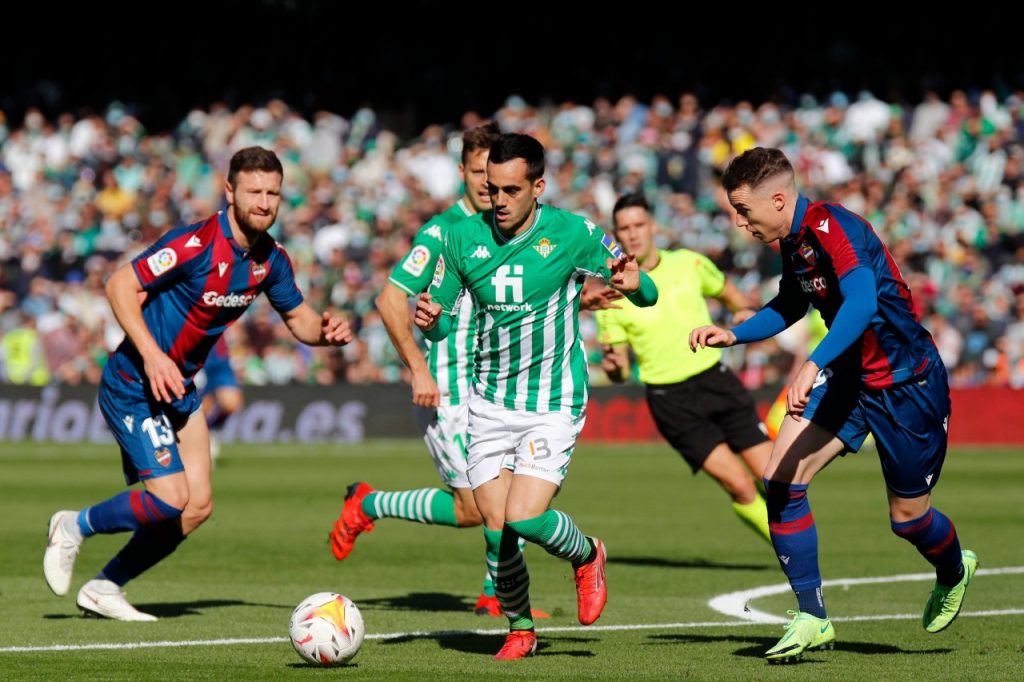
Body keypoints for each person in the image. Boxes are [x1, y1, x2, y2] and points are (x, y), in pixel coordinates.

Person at [689, 147, 975, 663]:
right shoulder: (793, 241)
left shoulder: (831, 227)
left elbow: (863, 304)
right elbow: (791, 304)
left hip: (905, 385)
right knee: (780, 481)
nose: (738, 222)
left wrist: (811, 362)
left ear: (778, 199)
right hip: (849, 380)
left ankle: (954, 568)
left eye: (743, 210)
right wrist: (733, 334)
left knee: (909, 520)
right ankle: (813, 617)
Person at [43, 146, 353, 621]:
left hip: (179, 389)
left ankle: (105, 587)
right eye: (254, 191)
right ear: (229, 191)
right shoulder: (195, 243)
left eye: (273, 193)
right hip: (133, 383)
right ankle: (73, 525)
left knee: (197, 505)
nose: (264, 202)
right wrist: (151, 356)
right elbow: (118, 285)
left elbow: (299, 318)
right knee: (170, 499)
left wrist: (325, 333)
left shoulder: (271, 259)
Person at [331, 122, 619, 619]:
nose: (490, 188)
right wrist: (419, 368)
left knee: (496, 507)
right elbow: (390, 299)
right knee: (478, 509)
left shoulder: (524, 231)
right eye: (480, 175)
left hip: (496, 387)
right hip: (449, 387)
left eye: (501, 179)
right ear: (465, 172)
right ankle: (376, 508)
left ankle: (499, 594)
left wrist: (577, 300)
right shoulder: (446, 233)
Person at [414, 133, 658, 660]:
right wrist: (432, 323)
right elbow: (445, 321)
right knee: (496, 533)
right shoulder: (461, 238)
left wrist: (638, 284)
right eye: (490, 187)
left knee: (525, 519)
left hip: (551, 403)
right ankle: (520, 629)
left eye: (510, 189)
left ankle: (588, 553)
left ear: (537, 187)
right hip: (488, 404)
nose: (497, 199)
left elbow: (645, 292)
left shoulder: (574, 233)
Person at [596, 193, 772, 545]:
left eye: (639, 225)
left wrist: (742, 314)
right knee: (738, 485)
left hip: (716, 380)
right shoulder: (613, 295)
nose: (633, 234)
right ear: (616, 236)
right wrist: (614, 367)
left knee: (775, 477)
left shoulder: (689, 263)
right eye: (624, 229)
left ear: (653, 226)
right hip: (670, 399)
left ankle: (800, 543)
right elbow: (616, 369)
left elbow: (733, 296)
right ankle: (791, 552)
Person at [198, 336, 243, 462]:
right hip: (197, 357)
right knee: (201, 408)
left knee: (232, 403)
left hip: (221, 359)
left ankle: (209, 431)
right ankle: (201, 438)